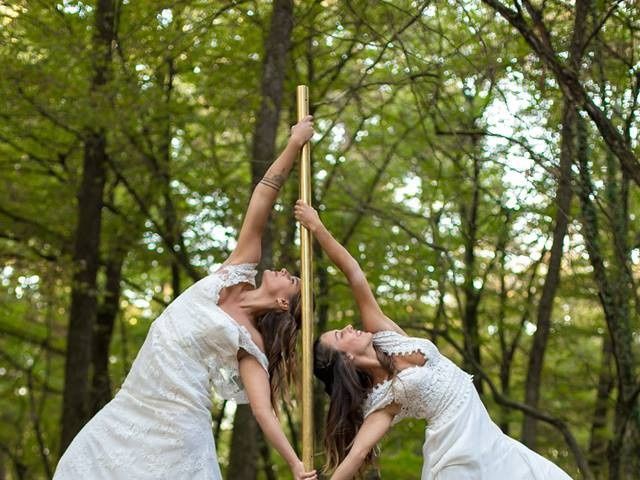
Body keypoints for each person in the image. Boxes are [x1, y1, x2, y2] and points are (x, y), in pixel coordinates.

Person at [53, 118, 318, 480]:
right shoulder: (238, 268)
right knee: (79, 466)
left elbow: (262, 411)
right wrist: (294, 143)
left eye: (294, 282)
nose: (288, 272)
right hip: (134, 405)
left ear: (285, 304)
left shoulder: (251, 344)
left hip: (179, 425)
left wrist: (295, 463)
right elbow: (264, 194)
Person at [294, 200, 572, 480]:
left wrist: (318, 227)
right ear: (348, 359)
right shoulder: (383, 400)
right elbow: (356, 455)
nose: (349, 326)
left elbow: (354, 273)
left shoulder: (387, 337)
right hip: (456, 457)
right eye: (342, 335)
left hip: (491, 442)